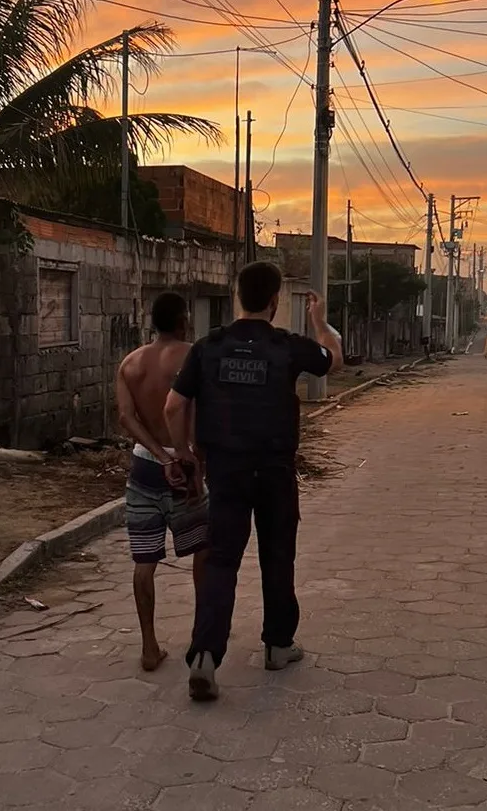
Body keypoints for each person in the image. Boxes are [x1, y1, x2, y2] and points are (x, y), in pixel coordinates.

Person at [164, 261, 343, 702]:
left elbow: (173, 406)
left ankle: (205, 654)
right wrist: (320, 322)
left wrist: (185, 455)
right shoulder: (288, 346)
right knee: (277, 557)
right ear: (275, 300)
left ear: (237, 296)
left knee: (221, 561)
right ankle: (278, 646)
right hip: (275, 471)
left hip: (226, 471)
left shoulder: (208, 347)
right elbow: (332, 359)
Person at [115, 292, 209, 672]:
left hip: (144, 469)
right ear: (183, 319)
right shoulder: (193, 355)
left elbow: (125, 417)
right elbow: (202, 411)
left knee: (144, 560)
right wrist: (187, 456)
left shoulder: (130, 363)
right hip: (186, 468)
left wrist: (158, 453)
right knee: (202, 552)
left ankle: (149, 646)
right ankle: (201, 637)